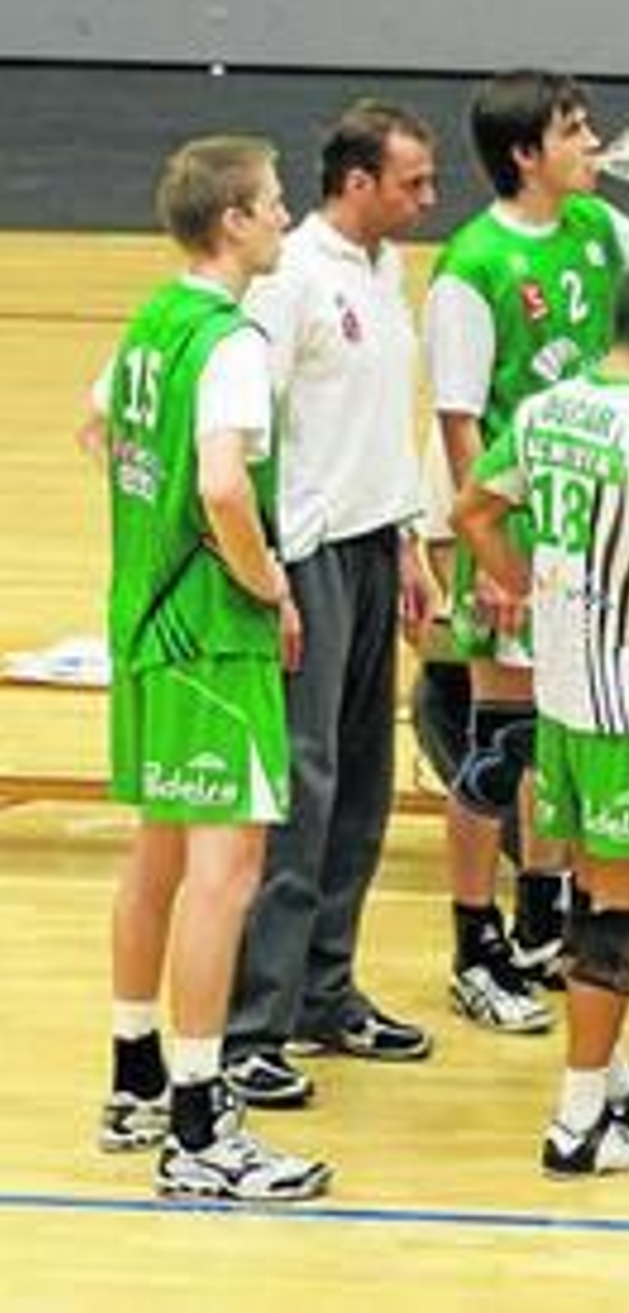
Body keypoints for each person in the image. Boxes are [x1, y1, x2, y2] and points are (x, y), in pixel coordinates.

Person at [426, 69, 629, 1033]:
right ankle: (474, 947)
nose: (594, 143)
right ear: (526, 154)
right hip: (515, 532)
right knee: (502, 745)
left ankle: (542, 923)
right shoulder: (473, 266)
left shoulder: (598, 227)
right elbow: (460, 422)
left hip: (592, 538)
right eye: (574, 130)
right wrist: (496, 566)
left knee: (557, 747)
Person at [90, 135, 330, 1199]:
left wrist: (153, 530)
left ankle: (135, 1074)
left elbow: (101, 427)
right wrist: (269, 585)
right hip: (212, 636)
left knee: (156, 855)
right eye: (273, 202)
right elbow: (225, 487)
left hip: (143, 625)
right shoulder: (230, 344)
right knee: (223, 875)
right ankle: (197, 1124)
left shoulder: (154, 320)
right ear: (232, 220)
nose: (284, 218)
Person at [454, 257, 629, 1175]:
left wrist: (527, 588)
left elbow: (473, 510)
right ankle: (578, 1125)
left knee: (590, 891)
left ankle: (612, 1079)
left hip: (562, 695)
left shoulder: (545, 409)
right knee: (622, 910)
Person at [222, 100, 439, 1108]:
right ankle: (249, 1025)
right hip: (307, 555)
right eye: (411, 182)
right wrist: (270, 574)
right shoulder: (292, 279)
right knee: (302, 790)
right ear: (357, 183)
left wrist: (409, 540)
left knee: (360, 784)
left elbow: (378, 423)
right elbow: (249, 435)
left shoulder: (387, 270)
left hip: (372, 544)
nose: (427, 198)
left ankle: (323, 989)